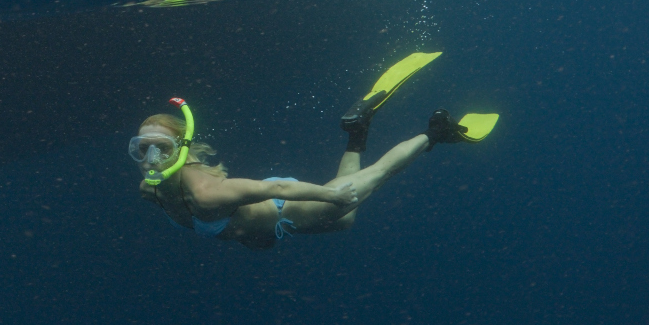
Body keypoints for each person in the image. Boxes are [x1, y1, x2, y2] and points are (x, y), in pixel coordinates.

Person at [133, 52, 497, 249]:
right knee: (347, 220)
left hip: (290, 206)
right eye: (142, 148)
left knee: (370, 182)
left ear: (180, 148)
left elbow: (277, 189)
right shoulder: (151, 191)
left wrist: (331, 196)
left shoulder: (209, 194)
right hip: (278, 221)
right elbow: (235, 226)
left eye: (161, 148)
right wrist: (253, 239)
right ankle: (358, 130)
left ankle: (436, 132)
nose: (151, 159)